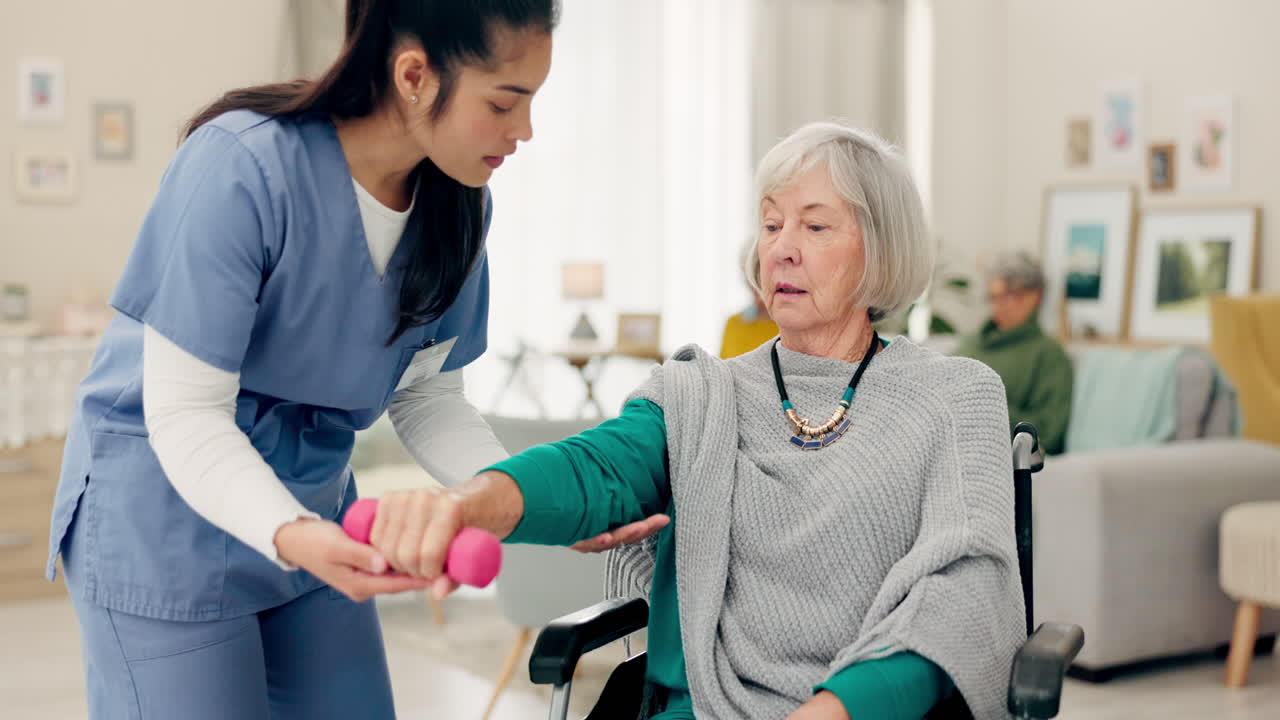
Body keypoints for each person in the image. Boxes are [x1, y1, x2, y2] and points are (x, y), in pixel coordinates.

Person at [39, 2, 663, 718]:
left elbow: (427, 397)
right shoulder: (240, 167)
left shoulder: (457, 203)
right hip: (163, 516)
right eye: (504, 102)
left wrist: (518, 496)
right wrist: (295, 536)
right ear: (414, 76)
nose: (525, 131)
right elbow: (184, 413)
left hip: (315, 507)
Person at [368, 122, 1026, 719]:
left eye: (815, 227)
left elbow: (961, 593)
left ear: (880, 250)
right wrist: (468, 504)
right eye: (771, 226)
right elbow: (599, 468)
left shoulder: (954, 395)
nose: (782, 251)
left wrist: (836, 710)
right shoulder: (700, 392)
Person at [952, 251, 1073, 455]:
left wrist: (986, 408)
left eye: (1010, 296)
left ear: (1036, 295)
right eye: (994, 297)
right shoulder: (969, 344)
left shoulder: (1048, 354)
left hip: (991, 456)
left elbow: (1049, 435)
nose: (1000, 306)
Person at [720, 238, 779, 358]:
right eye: (751, 283)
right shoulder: (734, 324)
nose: (757, 294)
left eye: (761, 284)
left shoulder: (791, 327)